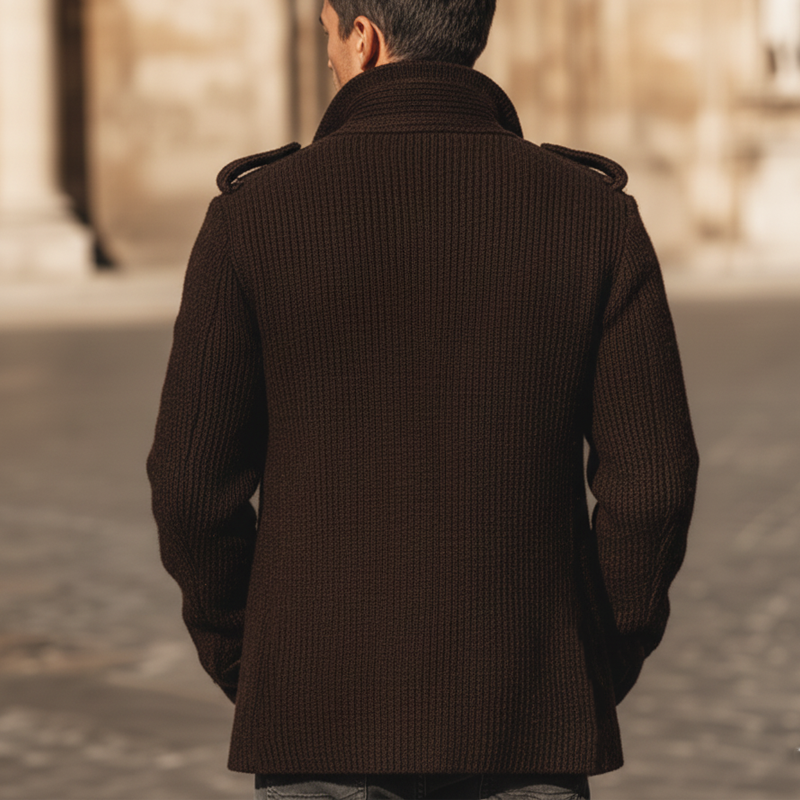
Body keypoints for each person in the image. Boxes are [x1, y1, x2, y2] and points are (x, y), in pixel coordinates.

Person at [147, 1, 699, 799]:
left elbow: (192, 489)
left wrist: (258, 661)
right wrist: (585, 663)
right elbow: (653, 487)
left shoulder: (252, 215)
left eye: (328, 35)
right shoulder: (593, 214)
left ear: (363, 38)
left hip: (316, 720)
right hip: (527, 719)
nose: (329, 57)